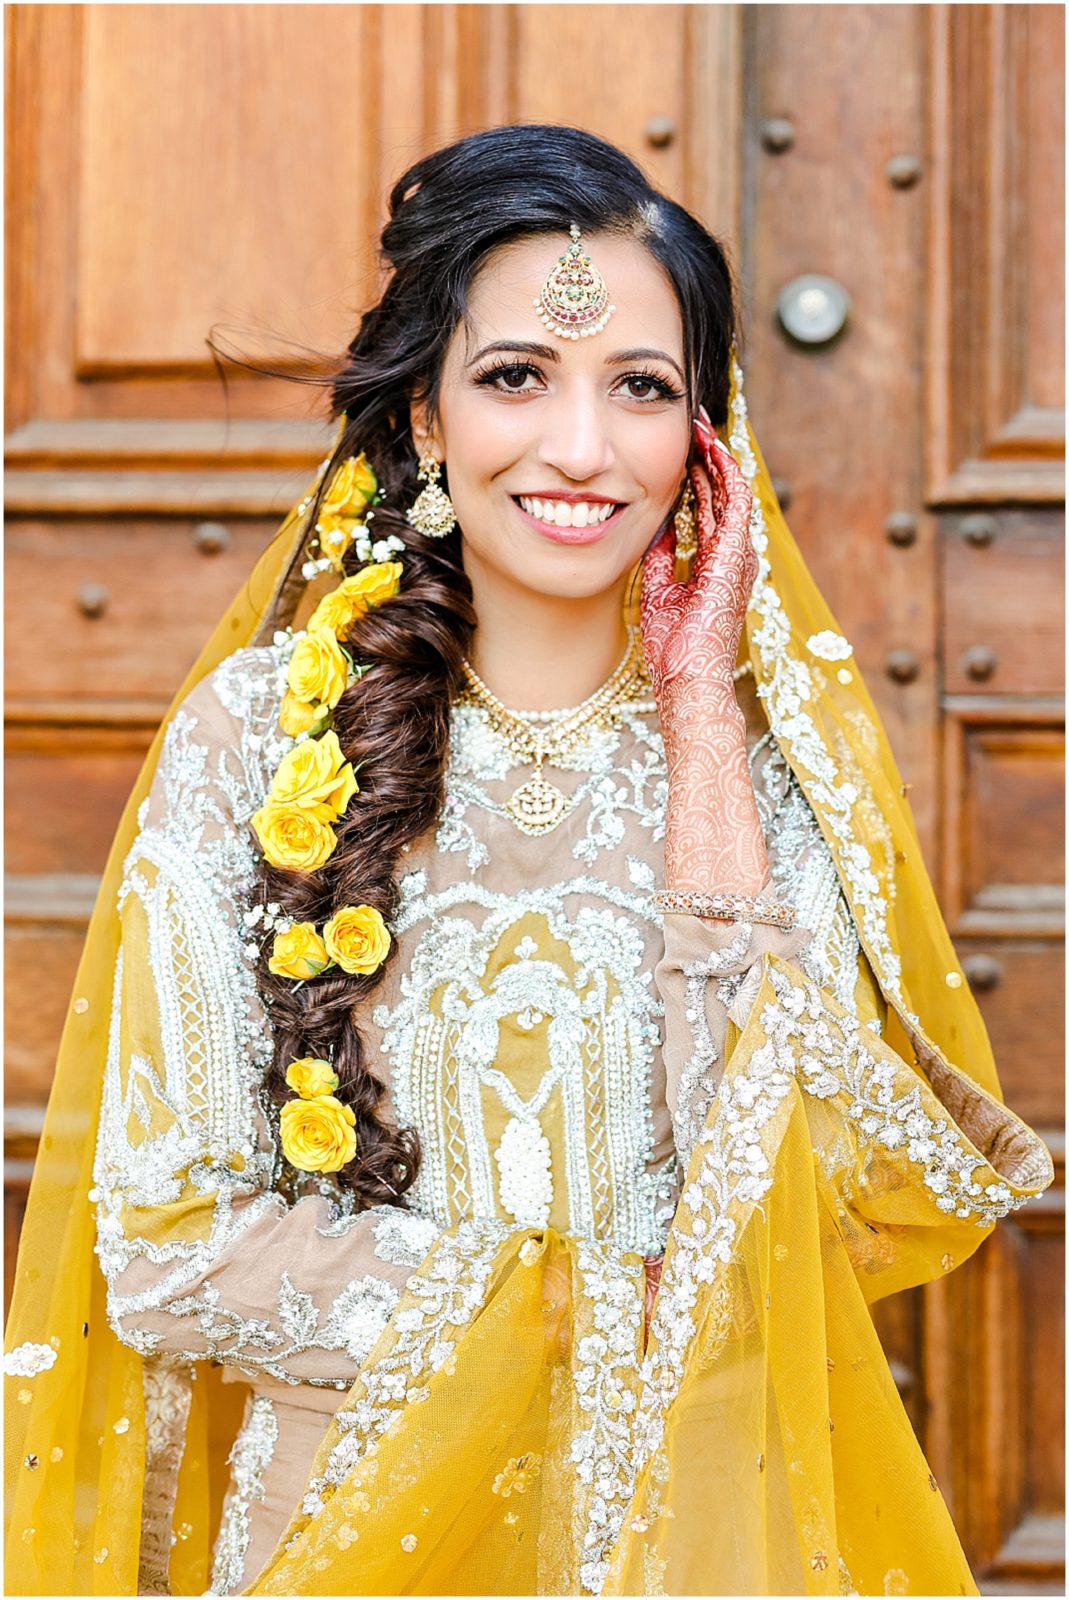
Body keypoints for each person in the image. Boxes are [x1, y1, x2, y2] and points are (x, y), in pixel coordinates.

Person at [4, 124, 1053, 1599]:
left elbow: (820, 1206)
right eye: (515, 378)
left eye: (639, 388)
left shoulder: (766, 766)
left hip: (701, 1535)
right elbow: (168, 1246)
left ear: (706, 438)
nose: (579, 447)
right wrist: (553, 1310)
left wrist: (697, 721)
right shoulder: (255, 738)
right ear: (426, 419)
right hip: (355, 1531)